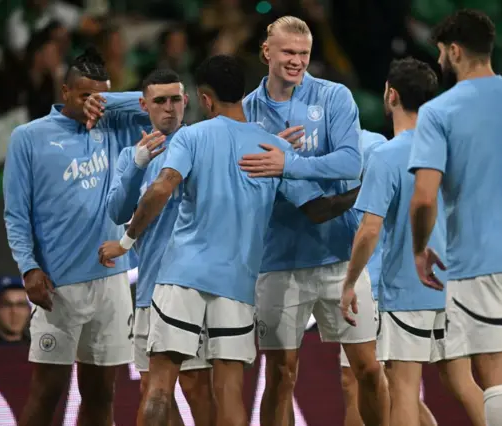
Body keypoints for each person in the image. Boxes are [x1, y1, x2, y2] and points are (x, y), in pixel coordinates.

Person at [98, 54, 362, 426]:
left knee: (158, 387)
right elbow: (318, 209)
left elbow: (161, 188)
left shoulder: (191, 136)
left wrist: (125, 242)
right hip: (237, 288)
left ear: (204, 100)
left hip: (181, 279)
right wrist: (364, 192)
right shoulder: (273, 148)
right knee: (230, 394)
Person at [407, 10, 502, 426]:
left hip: (480, 261)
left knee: (492, 374)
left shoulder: (438, 112)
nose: (440, 61)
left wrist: (420, 249)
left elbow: (424, 199)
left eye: (441, 53)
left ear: (454, 51)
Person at [239, 16, 389, 426]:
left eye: (303, 54)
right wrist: (308, 175)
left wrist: (288, 163)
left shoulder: (335, 96)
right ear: (267, 51)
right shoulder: (247, 113)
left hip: (341, 258)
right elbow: (303, 198)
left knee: (369, 369)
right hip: (279, 260)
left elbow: (350, 160)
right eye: (288, 52)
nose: (297, 62)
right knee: (281, 376)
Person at [3, 47, 150, 426]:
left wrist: (107, 101)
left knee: (101, 393)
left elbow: (157, 102)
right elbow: (16, 213)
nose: (93, 104)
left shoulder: (114, 126)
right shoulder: (28, 137)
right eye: (85, 95)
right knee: (47, 393)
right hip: (59, 284)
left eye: (100, 96)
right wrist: (28, 268)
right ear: (64, 91)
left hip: (113, 278)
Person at [341, 57, 486, 426]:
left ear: (390, 95)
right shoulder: (456, 150)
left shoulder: (387, 157)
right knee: (463, 381)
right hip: (457, 285)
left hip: (408, 289)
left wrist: (349, 282)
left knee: (404, 387)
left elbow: (369, 230)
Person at [101, 68, 214, 426]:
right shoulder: (130, 156)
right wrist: (136, 166)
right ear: (143, 105)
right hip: (149, 289)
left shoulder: (200, 143)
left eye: (176, 99)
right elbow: (117, 211)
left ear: (187, 101)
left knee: (196, 387)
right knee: (152, 389)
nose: (169, 108)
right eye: (159, 101)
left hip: (192, 287)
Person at [339, 128, 386, 426]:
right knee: (352, 379)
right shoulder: (316, 148)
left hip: (374, 281)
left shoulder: (374, 146)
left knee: (373, 378)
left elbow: (373, 224)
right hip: (350, 280)